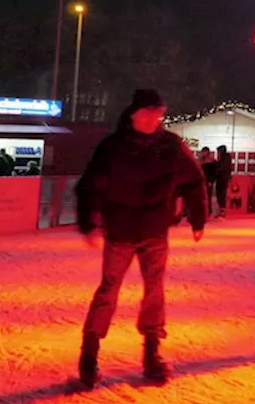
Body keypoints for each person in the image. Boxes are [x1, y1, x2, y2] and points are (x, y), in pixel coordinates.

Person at [75, 89, 207, 387]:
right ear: (133, 114)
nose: (152, 121)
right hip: (120, 232)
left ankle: (151, 354)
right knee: (108, 291)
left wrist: (198, 218)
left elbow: (194, 181)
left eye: (158, 115)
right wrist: (88, 221)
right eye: (147, 114)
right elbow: (90, 185)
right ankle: (89, 355)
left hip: (154, 231)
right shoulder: (112, 147)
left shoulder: (171, 145)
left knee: (154, 291)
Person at [199, 147, 218, 219]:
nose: (203, 153)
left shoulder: (211, 161)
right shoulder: (200, 160)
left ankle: (208, 211)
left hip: (208, 182)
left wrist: (211, 181)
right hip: (201, 182)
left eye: (204, 152)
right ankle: (202, 211)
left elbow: (213, 173)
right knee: (201, 197)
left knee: (208, 197)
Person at [213, 146, 232, 218]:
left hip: (223, 178)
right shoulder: (224, 158)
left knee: (221, 194)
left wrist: (216, 164)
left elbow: (222, 167)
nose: (218, 153)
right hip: (221, 178)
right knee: (219, 194)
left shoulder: (226, 157)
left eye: (218, 151)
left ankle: (222, 211)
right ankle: (221, 210)